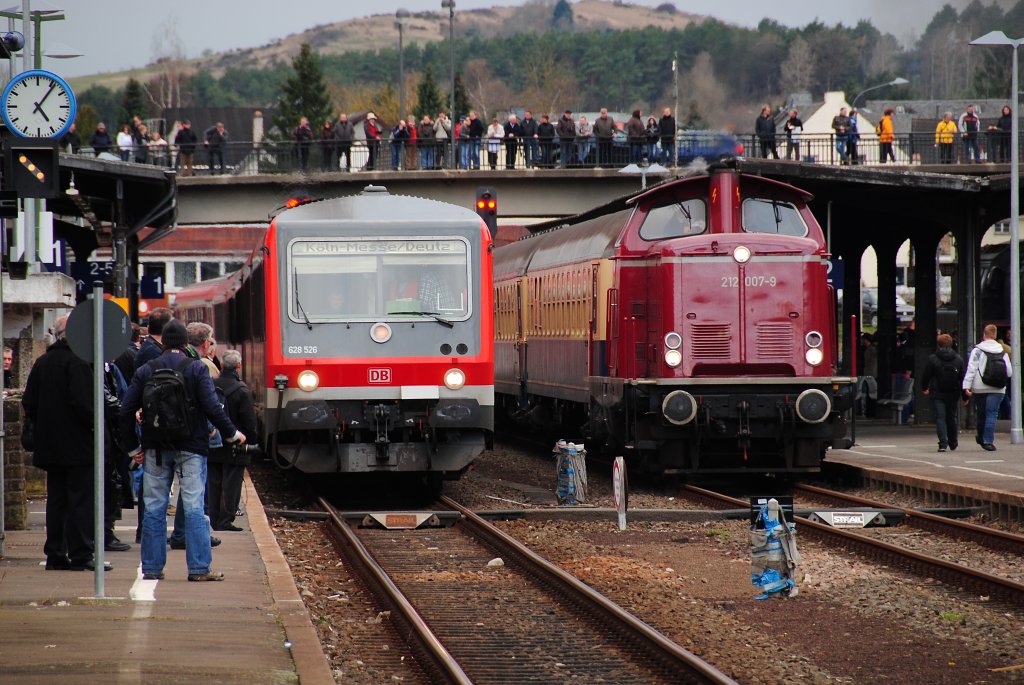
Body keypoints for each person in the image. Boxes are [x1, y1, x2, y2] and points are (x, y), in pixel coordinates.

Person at [119, 319, 245, 582]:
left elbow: (126, 410)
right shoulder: (196, 368)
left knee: (154, 507)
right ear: (186, 344)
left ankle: (152, 568)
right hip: (191, 447)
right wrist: (232, 433)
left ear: (162, 343)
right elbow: (212, 407)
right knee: (194, 507)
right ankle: (199, 568)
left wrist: (133, 448)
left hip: (156, 448)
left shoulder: (146, 369)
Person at [22, 315, 109, 572]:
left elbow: (29, 401)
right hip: (78, 446)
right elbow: (85, 406)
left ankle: (55, 553)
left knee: (56, 500)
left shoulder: (42, 363)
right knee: (80, 501)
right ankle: (81, 553)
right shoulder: (79, 363)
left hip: (49, 445)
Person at [208, 349, 257, 532]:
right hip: (235, 443)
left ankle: (213, 519)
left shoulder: (211, 385)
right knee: (231, 482)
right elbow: (249, 422)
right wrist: (251, 442)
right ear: (239, 365)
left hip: (213, 441)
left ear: (221, 365)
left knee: (213, 482)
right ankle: (225, 520)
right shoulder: (242, 390)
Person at [962, 324, 1011, 451]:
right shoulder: (1003, 351)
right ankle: (988, 441)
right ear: (995, 336)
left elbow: (971, 369)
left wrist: (966, 385)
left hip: (980, 387)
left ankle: (981, 436)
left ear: (984, 335)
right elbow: (1009, 372)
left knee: (981, 413)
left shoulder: (977, 350)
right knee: (992, 413)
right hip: (998, 388)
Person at [920, 333, 965, 452]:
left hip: (937, 392)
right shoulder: (958, 359)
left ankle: (943, 444)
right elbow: (962, 378)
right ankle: (953, 442)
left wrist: (924, 388)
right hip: (953, 392)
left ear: (938, 344)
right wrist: (965, 396)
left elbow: (926, 375)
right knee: (952, 417)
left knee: (940, 417)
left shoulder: (933, 358)